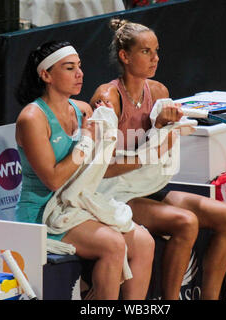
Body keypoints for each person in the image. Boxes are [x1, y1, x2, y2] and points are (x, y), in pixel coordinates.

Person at [90, 19, 226, 300]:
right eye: (146, 51)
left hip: (148, 188)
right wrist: (156, 140)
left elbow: (166, 147)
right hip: (113, 195)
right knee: (186, 222)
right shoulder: (108, 96)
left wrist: (164, 130)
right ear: (125, 56)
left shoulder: (158, 92)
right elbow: (102, 168)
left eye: (157, 50)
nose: (155, 58)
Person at [15, 40, 154, 300]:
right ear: (46, 75)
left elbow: (98, 169)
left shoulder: (83, 110)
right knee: (113, 244)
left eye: (79, 66)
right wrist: (88, 140)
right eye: (69, 68)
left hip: (78, 206)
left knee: (144, 242)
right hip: (42, 214)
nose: (79, 74)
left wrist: (148, 153)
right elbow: (54, 180)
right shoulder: (32, 118)